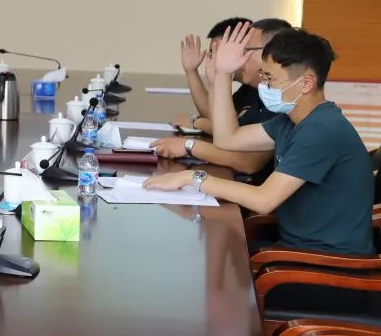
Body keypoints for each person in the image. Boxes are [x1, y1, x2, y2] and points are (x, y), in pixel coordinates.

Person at [145, 25, 375, 255]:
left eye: (270, 78)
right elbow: (227, 139)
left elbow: (263, 200)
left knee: (198, 251)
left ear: (306, 83)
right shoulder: (290, 120)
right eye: (263, 76)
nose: (264, 85)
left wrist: (191, 177)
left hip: (325, 262)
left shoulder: (321, 130)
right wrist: (223, 73)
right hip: (296, 248)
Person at [154, 18, 292, 176]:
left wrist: (190, 142)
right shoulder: (257, 89)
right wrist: (216, 79)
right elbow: (223, 130)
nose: (239, 56)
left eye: (246, 49)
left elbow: (248, 161)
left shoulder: (281, 99)